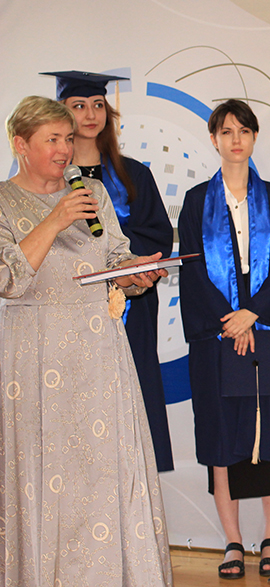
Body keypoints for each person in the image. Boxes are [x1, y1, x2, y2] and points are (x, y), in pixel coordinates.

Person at [0, 96, 172, 585]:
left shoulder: (91, 189)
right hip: (35, 356)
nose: (64, 149)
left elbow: (114, 257)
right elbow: (8, 279)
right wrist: (55, 219)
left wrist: (135, 273)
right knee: (46, 471)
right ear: (20, 145)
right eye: (52, 139)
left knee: (103, 470)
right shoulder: (3, 200)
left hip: (98, 351)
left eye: (68, 139)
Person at [179, 99, 270, 580]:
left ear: (255, 138)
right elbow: (192, 268)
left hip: (269, 332)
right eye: (226, 131)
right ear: (214, 139)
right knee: (222, 438)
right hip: (218, 337)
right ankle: (232, 541)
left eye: (244, 131)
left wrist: (254, 313)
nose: (236, 140)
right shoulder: (196, 200)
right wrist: (229, 321)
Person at [41, 70, 176, 473]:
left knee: (134, 390)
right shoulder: (48, 180)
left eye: (98, 105)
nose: (90, 114)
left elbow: (157, 236)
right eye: (79, 106)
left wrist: (114, 253)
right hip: (71, 306)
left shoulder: (134, 174)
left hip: (131, 303)